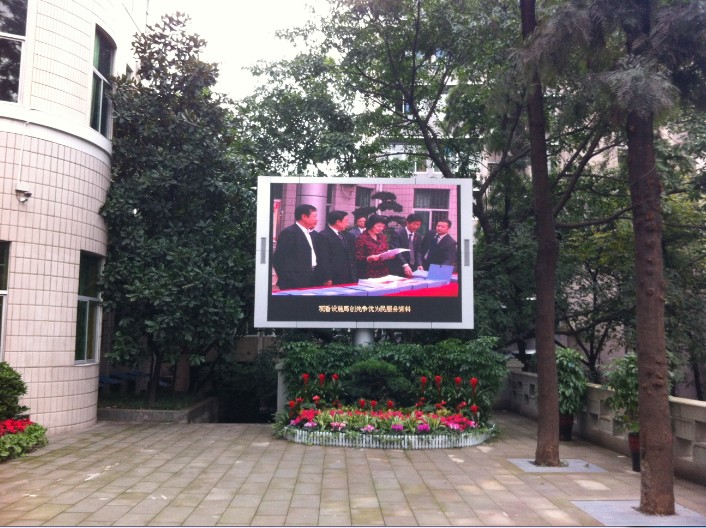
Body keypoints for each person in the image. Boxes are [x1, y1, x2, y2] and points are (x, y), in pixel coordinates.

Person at [272, 204, 320, 290]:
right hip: (294, 282)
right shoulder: (289, 233)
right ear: (304, 217)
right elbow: (279, 259)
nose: (317, 219)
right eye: (314, 216)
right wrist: (289, 279)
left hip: (311, 278)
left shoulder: (310, 234)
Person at [316, 210, 356, 286]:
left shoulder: (344, 235)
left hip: (346, 275)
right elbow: (323, 259)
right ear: (338, 222)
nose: (347, 224)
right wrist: (327, 277)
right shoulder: (324, 235)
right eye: (346, 221)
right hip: (334, 276)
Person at [354, 214, 390, 279]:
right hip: (368, 273)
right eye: (378, 226)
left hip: (383, 272)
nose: (381, 229)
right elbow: (357, 257)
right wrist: (368, 258)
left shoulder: (382, 237)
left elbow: (386, 250)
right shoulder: (362, 238)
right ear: (371, 224)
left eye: (383, 227)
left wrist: (389, 255)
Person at [388, 213, 424, 277]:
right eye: (414, 224)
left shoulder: (418, 236)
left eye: (418, 225)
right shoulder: (397, 233)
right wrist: (405, 265)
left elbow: (418, 251)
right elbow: (397, 251)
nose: (416, 227)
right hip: (399, 266)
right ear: (407, 223)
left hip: (413, 267)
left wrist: (419, 264)